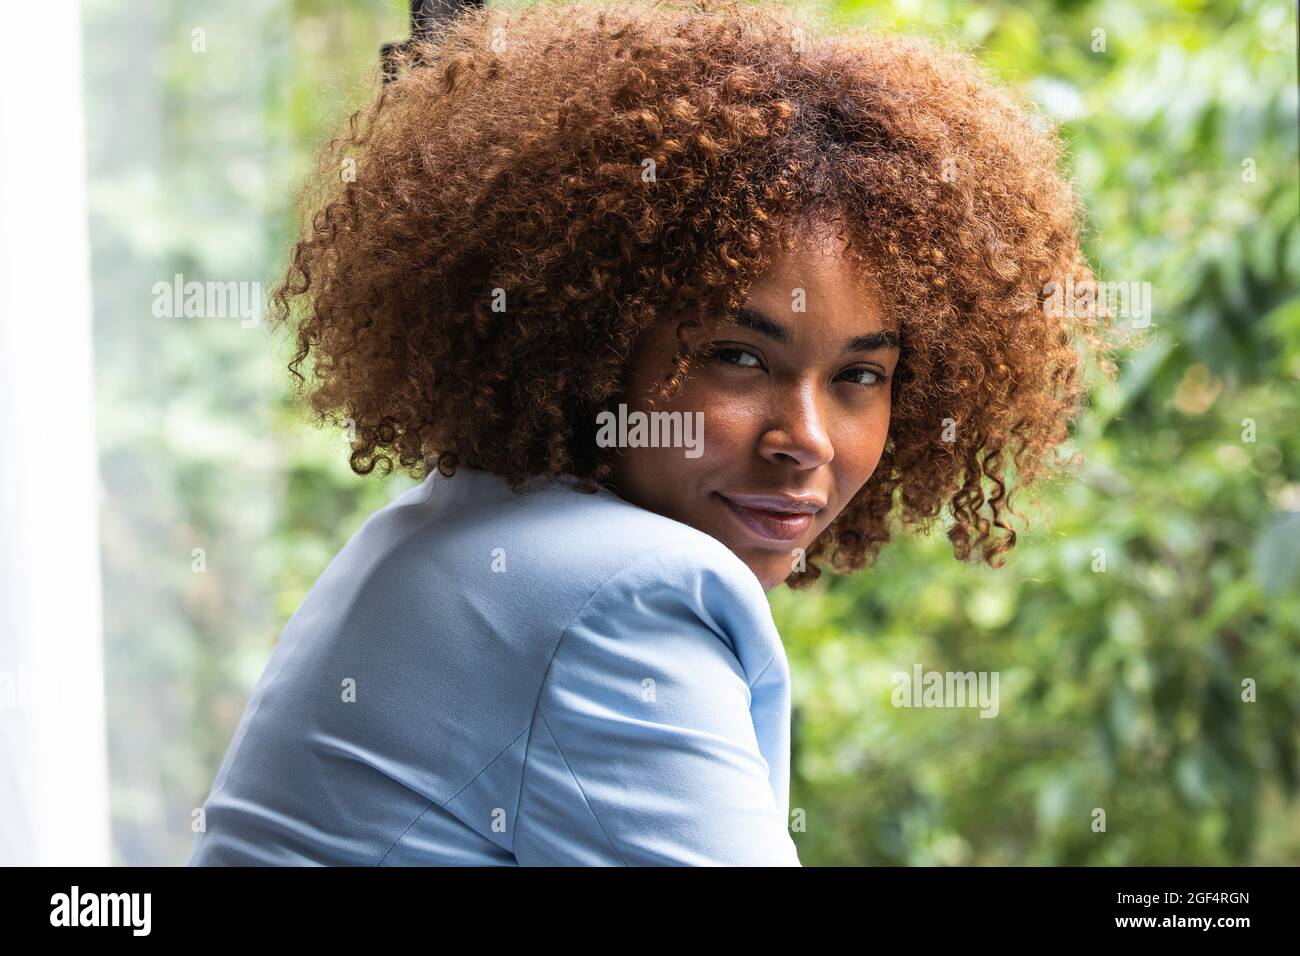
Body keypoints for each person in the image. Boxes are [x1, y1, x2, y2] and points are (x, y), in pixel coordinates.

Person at [187, 0, 1115, 866]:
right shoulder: (627, 595)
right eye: (739, 359)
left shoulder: (451, 530)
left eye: (859, 377)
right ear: (589, 341)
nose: (809, 439)